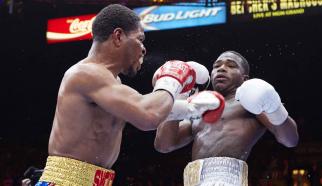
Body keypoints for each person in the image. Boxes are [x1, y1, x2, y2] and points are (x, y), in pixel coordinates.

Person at [36, 4, 208, 186]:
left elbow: (149, 112)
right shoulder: (86, 73)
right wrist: (172, 79)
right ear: (118, 36)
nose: (143, 49)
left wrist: (191, 108)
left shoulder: (112, 83)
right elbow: (148, 116)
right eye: (140, 39)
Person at [154, 51, 299, 186]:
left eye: (231, 65)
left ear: (245, 78)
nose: (221, 69)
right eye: (216, 66)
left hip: (227, 180)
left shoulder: (249, 103)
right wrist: (179, 94)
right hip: (193, 180)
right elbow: (164, 145)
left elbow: (290, 140)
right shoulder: (200, 106)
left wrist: (275, 109)